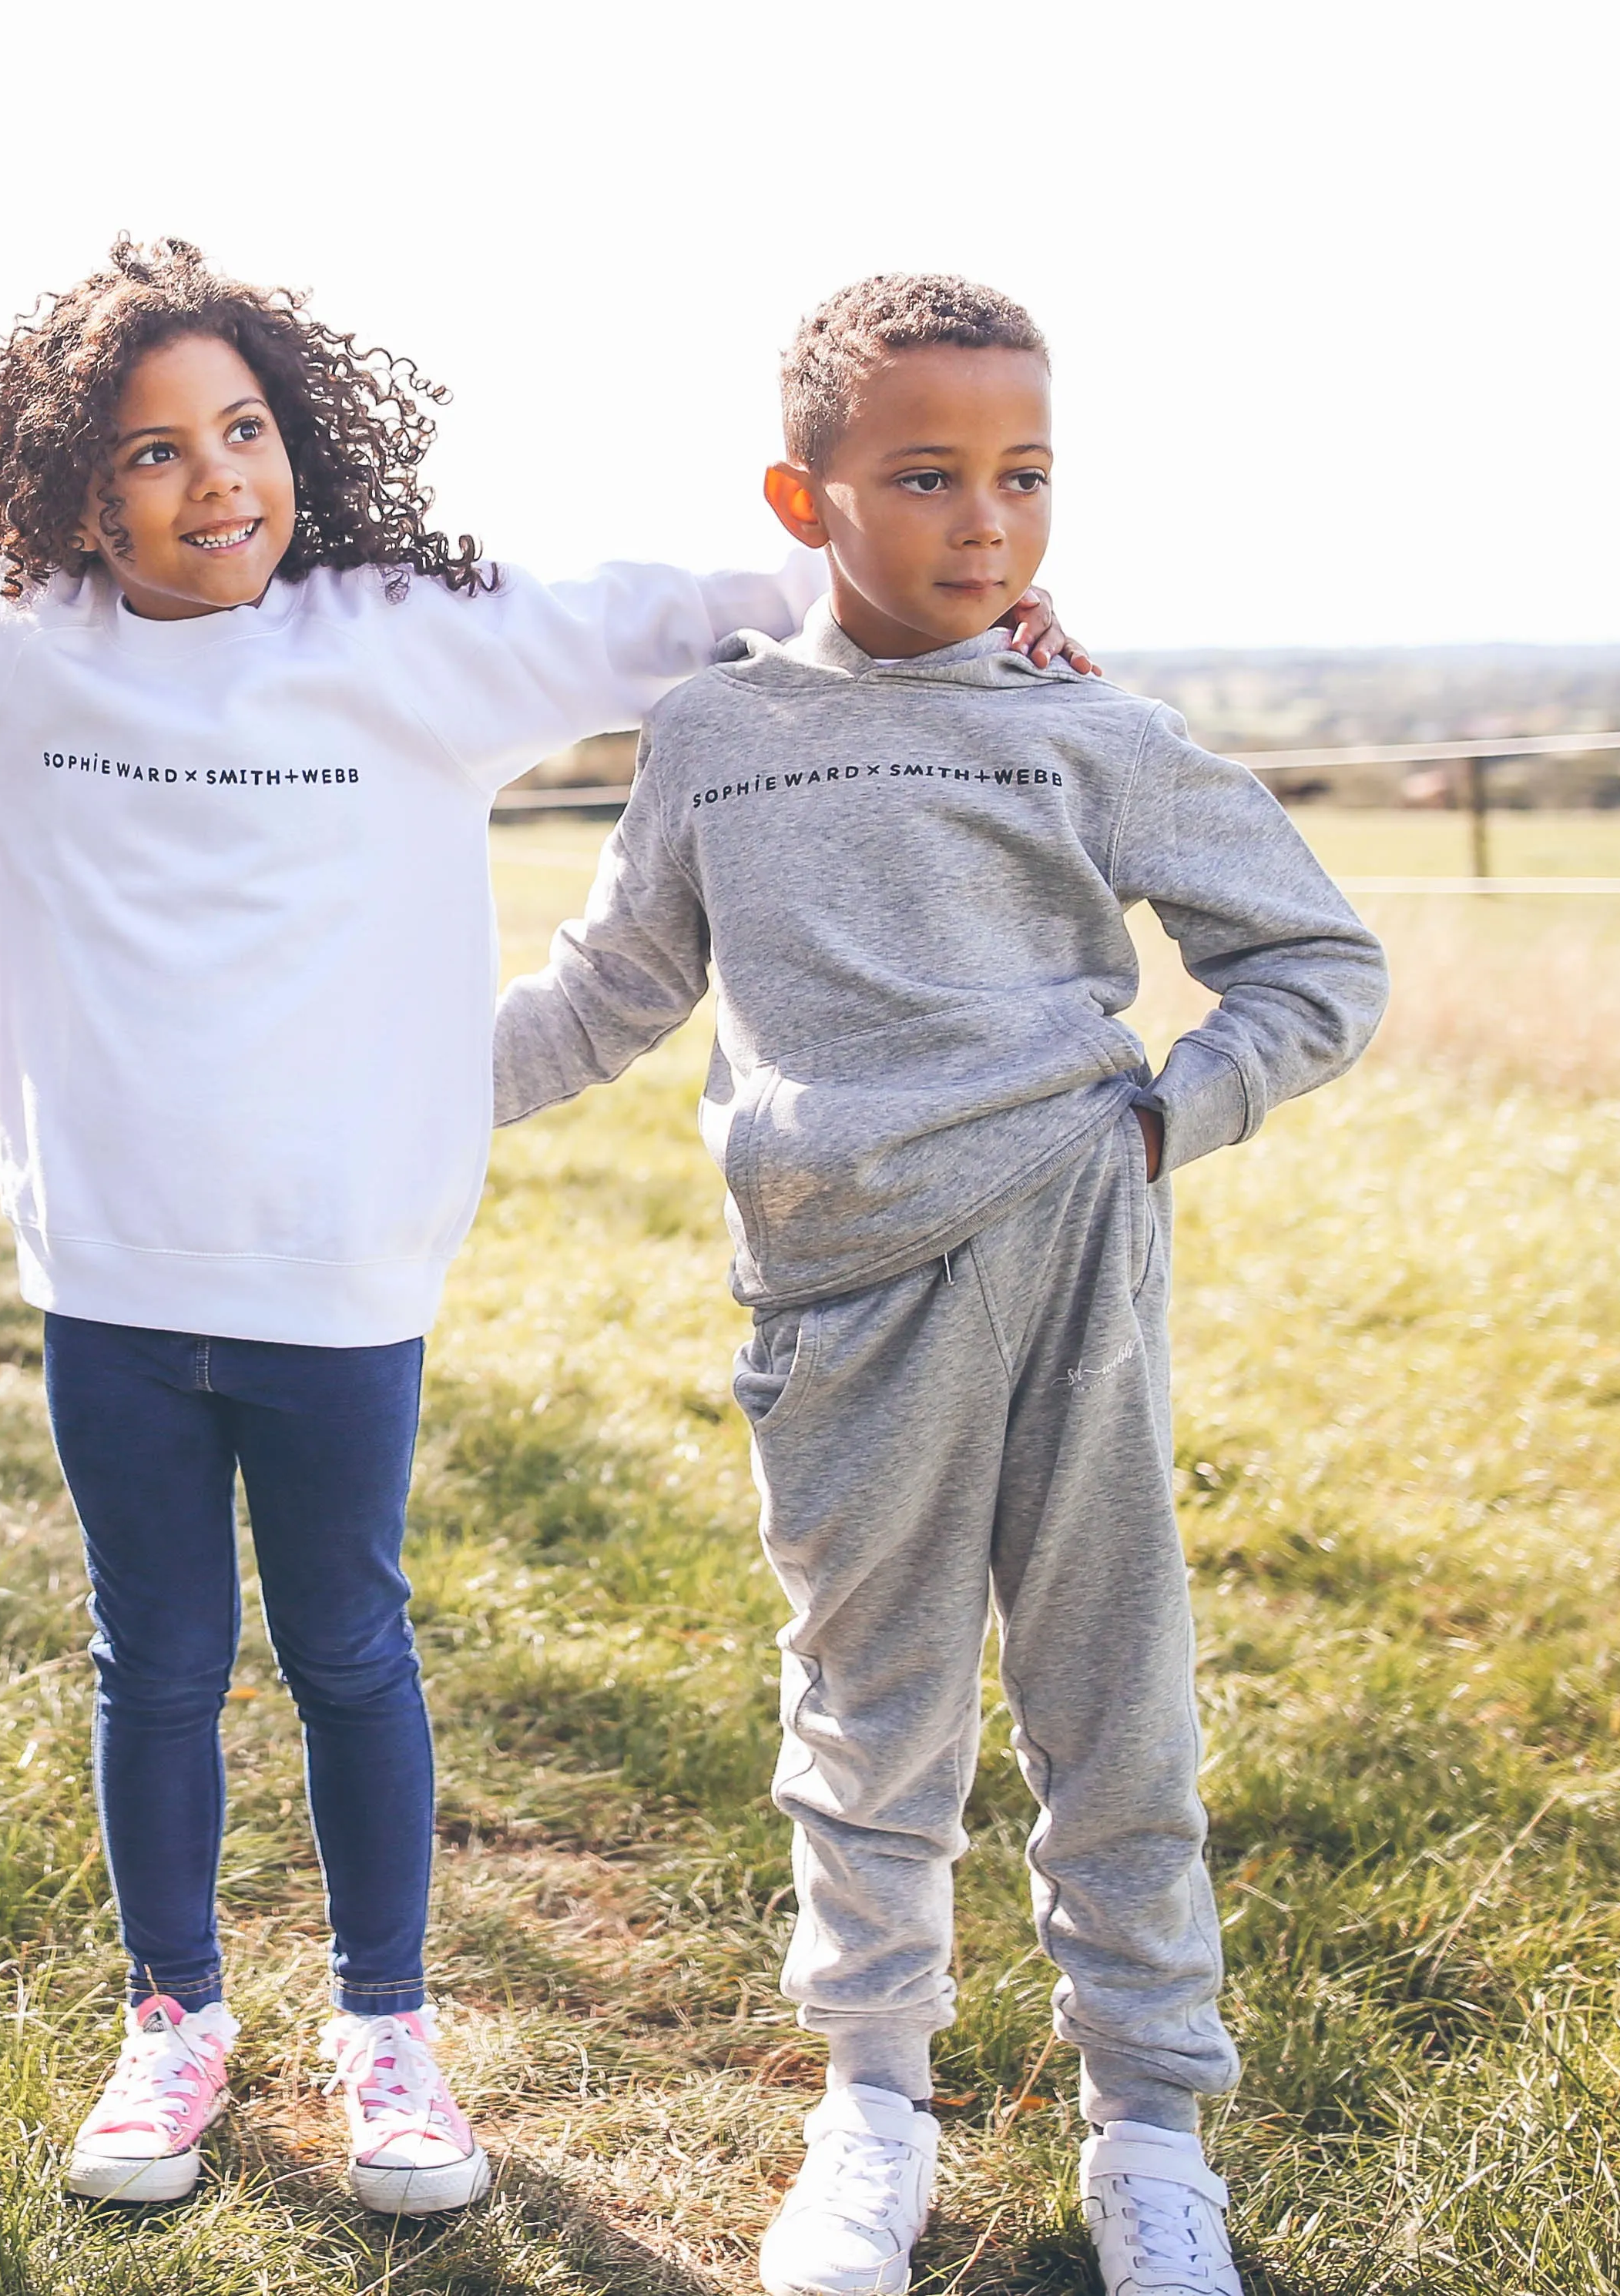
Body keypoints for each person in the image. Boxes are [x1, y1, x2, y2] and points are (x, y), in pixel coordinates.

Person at [0, 239, 1087, 2217]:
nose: (216, 479)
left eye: (244, 430)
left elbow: (702, 599)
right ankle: (173, 2018)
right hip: (111, 1272)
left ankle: (390, 2032)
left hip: (342, 1270)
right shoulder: (2, 638)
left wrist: (986, 592)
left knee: (350, 1649)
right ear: (68, 485)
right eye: (150, 449)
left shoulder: (406, 641)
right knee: (152, 1659)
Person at [493, 275, 1388, 2296]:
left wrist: (1175, 1113)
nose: (982, 524)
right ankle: (870, 2109)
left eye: (1023, 476)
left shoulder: (1090, 729)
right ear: (800, 495)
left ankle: (1149, 2135)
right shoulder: (717, 732)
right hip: (835, 1291)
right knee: (865, 1713)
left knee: (1110, 1707)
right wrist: (383, 1104)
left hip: (1074, 1244)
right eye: (924, 477)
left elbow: (1317, 963)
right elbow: (611, 987)